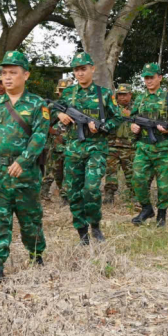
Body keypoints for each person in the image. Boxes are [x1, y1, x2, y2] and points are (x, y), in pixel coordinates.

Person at [0, 51, 48, 288]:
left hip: (25, 174)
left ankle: (36, 256)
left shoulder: (37, 104)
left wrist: (24, 160)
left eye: (13, 73)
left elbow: (40, 135)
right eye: (4, 73)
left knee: (30, 220)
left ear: (26, 75)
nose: (7, 78)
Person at [58, 52, 122, 244]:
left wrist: (103, 127)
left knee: (91, 189)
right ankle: (82, 232)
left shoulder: (104, 94)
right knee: (74, 192)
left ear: (92, 69)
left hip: (96, 148)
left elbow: (117, 117)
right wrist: (59, 116)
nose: (80, 73)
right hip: (73, 150)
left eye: (83, 69)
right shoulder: (68, 93)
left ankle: (95, 225)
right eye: (76, 70)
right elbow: (53, 107)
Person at [129, 62, 168, 227]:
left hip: (164, 148)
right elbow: (132, 118)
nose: (148, 81)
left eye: (151, 77)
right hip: (143, 147)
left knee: (164, 185)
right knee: (137, 180)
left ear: (160, 77)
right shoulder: (140, 98)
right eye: (146, 78)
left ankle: (161, 214)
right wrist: (133, 126)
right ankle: (146, 208)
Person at [103, 84, 135, 204]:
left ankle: (134, 196)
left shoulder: (136, 108)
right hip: (112, 145)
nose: (122, 97)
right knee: (111, 172)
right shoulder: (111, 108)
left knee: (131, 173)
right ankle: (109, 196)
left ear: (130, 95)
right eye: (120, 95)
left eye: (125, 94)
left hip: (130, 147)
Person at [41, 78, 72, 202]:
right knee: (52, 172)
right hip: (54, 145)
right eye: (61, 91)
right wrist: (54, 132)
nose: (64, 94)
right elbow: (43, 124)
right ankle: (43, 193)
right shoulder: (51, 106)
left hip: (71, 145)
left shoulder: (77, 106)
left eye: (67, 91)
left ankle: (66, 197)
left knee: (69, 173)